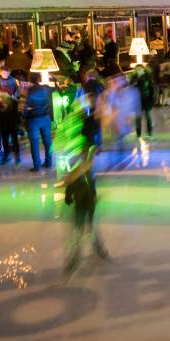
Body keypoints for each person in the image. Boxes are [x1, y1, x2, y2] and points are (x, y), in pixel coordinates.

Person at [62, 91, 108, 276]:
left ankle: (86, 251)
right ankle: (82, 252)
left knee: (83, 225)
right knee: (83, 225)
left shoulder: (82, 155)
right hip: (84, 197)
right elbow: (76, 178)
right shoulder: (83, 154)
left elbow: (76, 178)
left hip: (85, 197)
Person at [23, 74, 54, 172]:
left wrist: (24, 114)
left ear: (30, 81)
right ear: (39, 79)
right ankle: (49, 162)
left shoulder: (29, 91)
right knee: (48, 142)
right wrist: (55, 80)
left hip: (33, 120)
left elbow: (25, 107)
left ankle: (37, 166)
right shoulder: (46, 88)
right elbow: (57, 89)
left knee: (34, 143)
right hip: (46, 117)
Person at [129, 63, 155, 138]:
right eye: (137, 69)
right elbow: (130, 87)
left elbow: (151, 89)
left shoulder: (148, 77)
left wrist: (152, 100)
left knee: (148, 117)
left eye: (140, 69)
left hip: (146, 100)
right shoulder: (134, 77)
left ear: (143, 69)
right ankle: (138, 134)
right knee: (138, 119)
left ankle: (149, 132)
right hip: (137, 101)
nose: (138, 71)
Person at [0, 91, 21, 166]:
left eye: (1, 97)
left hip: (11, 124)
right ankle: (9, 156)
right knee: (6, 141)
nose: (0, 98)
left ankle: (16, 157)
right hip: (5, 125)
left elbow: (16, 114)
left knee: (13, 141)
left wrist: (18, 124)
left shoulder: (13, 102)